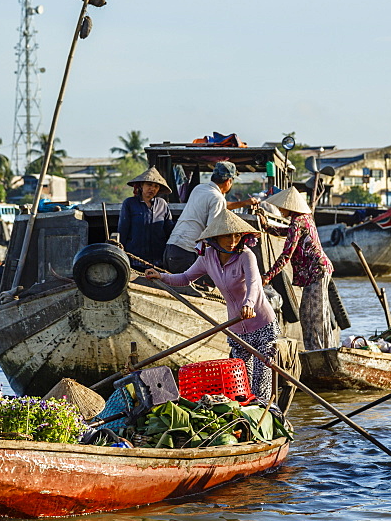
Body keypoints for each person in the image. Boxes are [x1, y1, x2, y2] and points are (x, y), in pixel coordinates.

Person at [145, 213, 279, 404]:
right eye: (227, 236)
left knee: (260, 382)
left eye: (237, 236)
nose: (233, 241)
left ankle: (266, 415)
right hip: (236, 328)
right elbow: (185, 278)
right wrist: (161, 276)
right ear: (215, 238)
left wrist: (248, 305)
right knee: (241, 384)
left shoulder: (246, 255)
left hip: (261, 324)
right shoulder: (207, 257)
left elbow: (254, 285)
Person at [260, 186, 338, 350]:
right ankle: (317, 350)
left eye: (282, 207)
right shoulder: (304, 218)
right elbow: (287, 232)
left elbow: (286, 254)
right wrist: (267, 227)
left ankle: (320, 351)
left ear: (290, 206)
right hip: (318, 271)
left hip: (317, 271)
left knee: (314, 315)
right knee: (310, 314)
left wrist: (268, 275)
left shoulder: (298, 221)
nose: (280, 210)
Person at [163, 161, 260, 273]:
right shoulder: (217, 198)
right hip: (187, 252)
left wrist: (244, 203)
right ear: (229, 181)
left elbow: (219, 204)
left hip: (171, 247)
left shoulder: (199, 189)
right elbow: (213, 231)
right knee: (185, 288)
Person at [117, 166, 174, 268]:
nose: (152, 188)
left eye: (156, 186)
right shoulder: (129, 203)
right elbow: (123, 230)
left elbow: (169, 230)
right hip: (134, 259)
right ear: (141, 186)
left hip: (158, 259)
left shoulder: (162, 204)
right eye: (149, 184)